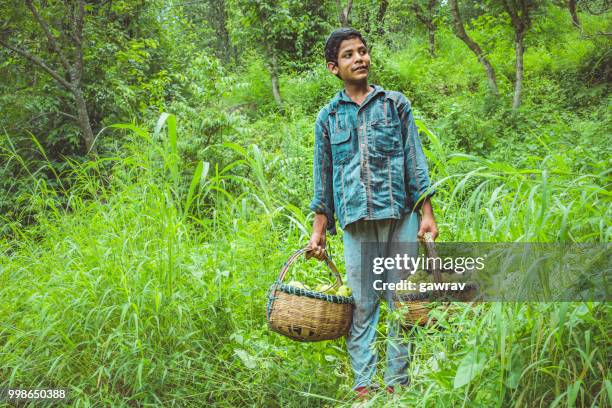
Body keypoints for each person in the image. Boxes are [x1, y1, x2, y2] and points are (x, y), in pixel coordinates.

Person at [306, 28, 438, 400]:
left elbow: (415, 161)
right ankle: (364, 386)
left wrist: (426, 213)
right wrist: (319, 228)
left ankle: (398, 384)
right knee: (362, 306)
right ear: (334, 68)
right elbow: (324, 177)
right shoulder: (328, 118)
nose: (359, 58)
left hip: (400, 217)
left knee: (401, 303)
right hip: (356, 224)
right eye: (349, 55)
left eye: (362, 51)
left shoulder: (395, 104)